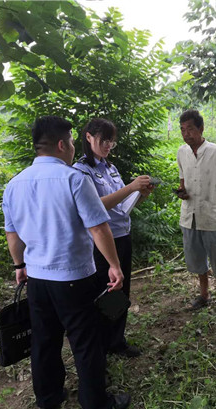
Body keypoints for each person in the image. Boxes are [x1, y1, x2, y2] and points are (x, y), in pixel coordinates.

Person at [2, 116, 130, 409]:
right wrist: (114, 265)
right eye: (72, 141)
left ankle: (49, 399)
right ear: (62, 144)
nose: (74, 147)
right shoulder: (74, 179)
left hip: (37, 279)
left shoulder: (14, 184)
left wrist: (19, 266)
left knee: (44, 340)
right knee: (85, 342)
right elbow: (98, 227)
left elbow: (13, 233)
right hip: (74, 278)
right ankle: (96, 403)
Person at [73, 118, 153, 358]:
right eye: (103, 140)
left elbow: (121, 204)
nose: (108, 145)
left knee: (121, 291)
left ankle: (116, 341)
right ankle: (100, 343)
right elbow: (95, 206)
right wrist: (130, 187)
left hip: (122, 235)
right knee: (104, 291)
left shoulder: (110, 168)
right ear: (89, 137)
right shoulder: (82, 171)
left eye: (111, 141)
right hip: (102, 241)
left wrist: (140, 194)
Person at [176, 109, 216, 314]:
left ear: (201, 128)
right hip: (190, 216)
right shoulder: (182, 152)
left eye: (190, 129)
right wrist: (182, 192)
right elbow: (183, 180)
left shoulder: (215, 152)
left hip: (212, 215)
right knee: (196, 258)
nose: (186, 134)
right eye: (182, 130)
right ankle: (203, 295)